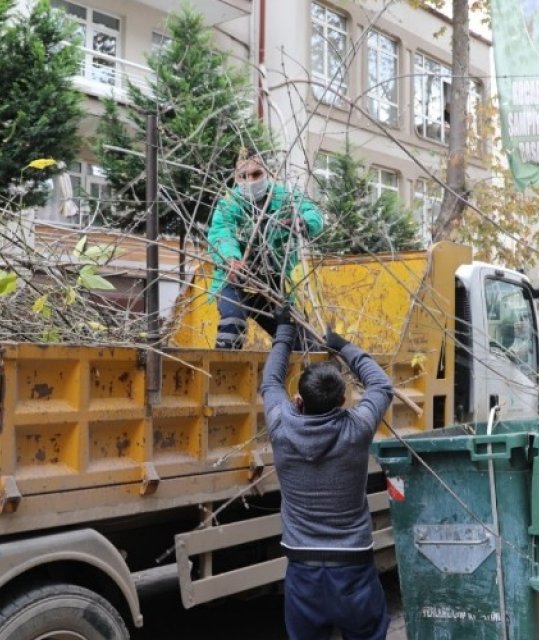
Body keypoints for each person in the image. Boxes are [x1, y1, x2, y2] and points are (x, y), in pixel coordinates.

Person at [260, 305, 394, 640]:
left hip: (302, 571)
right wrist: (343, 346)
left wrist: (284, 331)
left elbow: (270, 381)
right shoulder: (357, 428)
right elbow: (381, 385)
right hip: (353, 569)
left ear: (297, 401)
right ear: (344, 399)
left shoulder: (281, 425)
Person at [207, 152, 324, 350]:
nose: (250, 181)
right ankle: (224, 366)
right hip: (235, 279)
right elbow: (221, 235)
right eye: (243, 176)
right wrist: (232, 260)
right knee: (232, 324)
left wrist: (302, 222)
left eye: (256, 174)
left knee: (301, 340)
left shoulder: (285, 197)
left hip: (273, 283)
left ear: (267, 173)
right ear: (235, 177)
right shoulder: (228, 204)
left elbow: (313, 212)